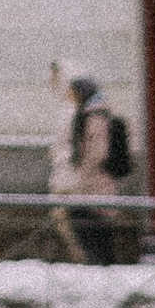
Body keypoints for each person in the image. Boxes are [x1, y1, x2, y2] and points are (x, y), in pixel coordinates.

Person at [49, 66, 127, 266]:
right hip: (93, 188)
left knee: (94, 238)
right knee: (96, 238)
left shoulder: (94, 117)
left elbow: (97, 153)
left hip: (94, 188)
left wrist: (82, 179)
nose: (70, 96)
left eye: (74, 92)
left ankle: (100, 276)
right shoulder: (92, 113)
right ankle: (100, 274)